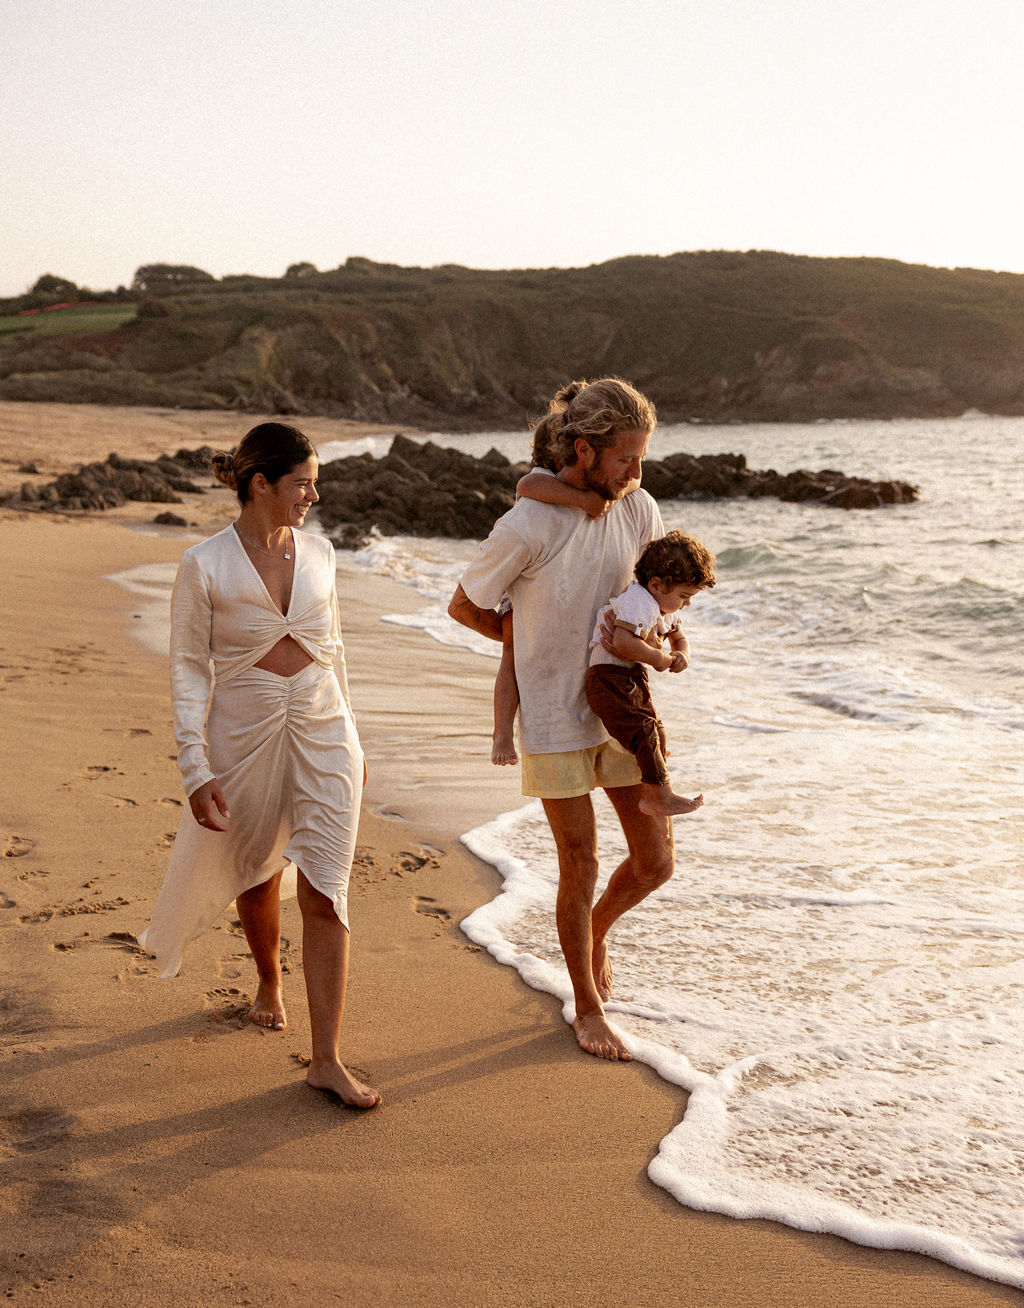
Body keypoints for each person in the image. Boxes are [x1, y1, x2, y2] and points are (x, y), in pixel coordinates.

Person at [139, 422, 380, 1109]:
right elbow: (188, 671)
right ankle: (269, 978)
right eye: (302, 481)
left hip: (325, 726)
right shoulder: (205, 563)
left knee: (327, 886)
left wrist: (354, 739)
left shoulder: (323, 553)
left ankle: (326, 1058)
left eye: (314, 481)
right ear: (260, 483)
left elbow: (336, 652)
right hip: (241, 731)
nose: (313, 493)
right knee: (256, 862)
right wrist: (194, 766)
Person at [448, 377, 670, 1062]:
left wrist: (668, 637)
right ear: (584, 449)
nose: (636, 473)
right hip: (551, 718)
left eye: (642, 458)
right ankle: (588, 1007)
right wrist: (525, 644)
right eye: (625, 459)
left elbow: (654, 591)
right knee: (581, 861)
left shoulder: (637, 509)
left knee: (656, 862)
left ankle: (594, 933)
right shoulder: (527, 525)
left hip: (622, 711)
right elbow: (466, 605)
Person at [490, 426, 621, 767]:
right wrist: (586, 500)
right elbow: (525, 486)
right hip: (525, 583)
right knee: (511, 653)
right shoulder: (540, 481)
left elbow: (635, 479)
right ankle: (501, 732)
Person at [586, 530, 716, 820]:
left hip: (628, 678)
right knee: (645, 732)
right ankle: (660, 797)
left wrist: (682, 655)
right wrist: (659, 658)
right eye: (684, 596)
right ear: (656, 584)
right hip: (607, 679)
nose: (688, 603)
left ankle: (653, 796)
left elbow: (679, 640)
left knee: (656, 731)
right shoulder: (637, 600)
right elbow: (622, 642)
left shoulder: (662, 605)